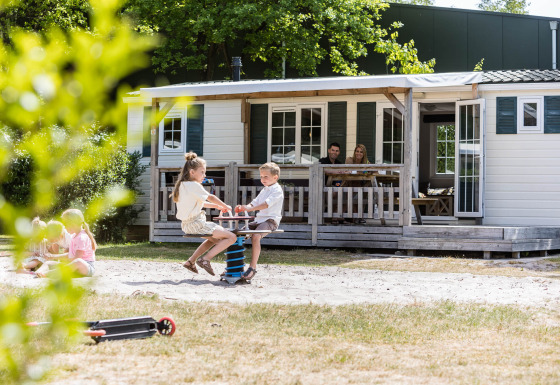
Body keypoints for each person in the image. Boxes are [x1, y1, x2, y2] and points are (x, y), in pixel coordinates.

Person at [175, 152, 236, 276]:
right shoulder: (193, 185)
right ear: (192, 172)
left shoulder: (183, 185)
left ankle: (191, 262)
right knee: (231, 237)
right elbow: (211, 197)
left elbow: (200, 203)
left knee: (214, 239)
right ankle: (205, 259)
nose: (205, 175)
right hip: (196, 224)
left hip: (188, 225)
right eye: (202, 172)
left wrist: (217, 206)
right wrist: (225, 206)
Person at [234, 162, 283, 281]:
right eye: (261, 176)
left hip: (270, 221)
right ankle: (234, 267)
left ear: (275, 177)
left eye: (266, 176)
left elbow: (265, 205)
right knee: (237, 234)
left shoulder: (277, 190)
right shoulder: (265, 189)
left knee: (256, 236)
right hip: (259, 220)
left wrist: (250, 208)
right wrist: (244, 207)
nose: (262, 179)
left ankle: (252, 267)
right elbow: (255, 203)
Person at [36, 209, 96, 278]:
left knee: (78, 261)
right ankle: (38, 272)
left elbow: (76, 259)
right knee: (48, 263)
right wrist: (52, 256)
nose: (64, 227)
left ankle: (48, 274)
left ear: (72, 224)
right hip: (74, 267)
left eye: (65, 224)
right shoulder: (74, 236)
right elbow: (70, 255)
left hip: (86, 267)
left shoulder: (81, 238)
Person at [345, 144, 371, 224]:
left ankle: (358, 216)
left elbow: (373, 170)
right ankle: (359, 216)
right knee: (357, 188)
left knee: (366, 188)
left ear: (364, 154)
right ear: (354, 152)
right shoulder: (350, 160)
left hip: (360, 185)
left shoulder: (367, 163)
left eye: (361, 152)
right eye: (357, 151)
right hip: (348, 183)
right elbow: (350, 171)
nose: (358, 153)